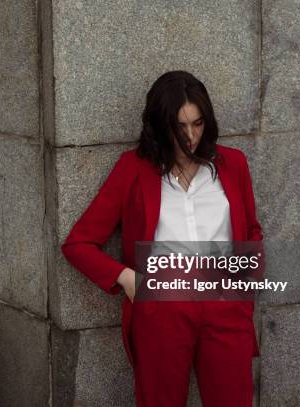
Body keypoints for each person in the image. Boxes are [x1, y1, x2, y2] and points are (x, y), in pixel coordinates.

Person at [61, 70, 263, 406]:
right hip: (162, 310)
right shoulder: (133, 169)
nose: (189, 136)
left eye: (197, 124)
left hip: (225, 305)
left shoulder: (233, 164)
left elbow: (252, 230)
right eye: (178, 127)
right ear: (159, 125)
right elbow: (78, 244)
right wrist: (129, 280)